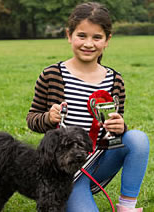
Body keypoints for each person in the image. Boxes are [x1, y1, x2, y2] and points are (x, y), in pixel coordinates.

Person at [26, 2, 149, 211]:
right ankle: (73, 193)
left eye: (97, 37)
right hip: (65, 170)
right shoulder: (51, 75)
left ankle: (127, 207)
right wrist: (48, 118)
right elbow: (32, 119)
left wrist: (120, 127)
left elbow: (115, 134)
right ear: (69, 35)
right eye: (81, 35)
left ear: (107, 40)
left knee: (138, 139)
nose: (88, 44)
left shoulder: (115, 80)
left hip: (99, 161)